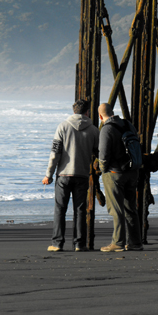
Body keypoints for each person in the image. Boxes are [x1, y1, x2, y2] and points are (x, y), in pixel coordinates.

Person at [42, 99, 99, 252]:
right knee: (80, 210)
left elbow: (55, 153)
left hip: (63, 175)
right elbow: (98, 153)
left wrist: (49, 174)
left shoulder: (63, 126)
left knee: (60, 209)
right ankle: (79, 244)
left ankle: (57, 243)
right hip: (82, 174)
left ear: (74, 111)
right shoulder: (93, 130)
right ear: (87, 112)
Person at [98, 102, 143, 252]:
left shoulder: (107, 129)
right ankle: (135, 242)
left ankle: (117, 242)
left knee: (116, 209)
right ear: (113, 112)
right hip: (132, 171)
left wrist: (103, 169)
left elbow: (103, 155)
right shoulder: (127, 124)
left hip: (115, 173)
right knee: (131, 207)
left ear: (100, 116)